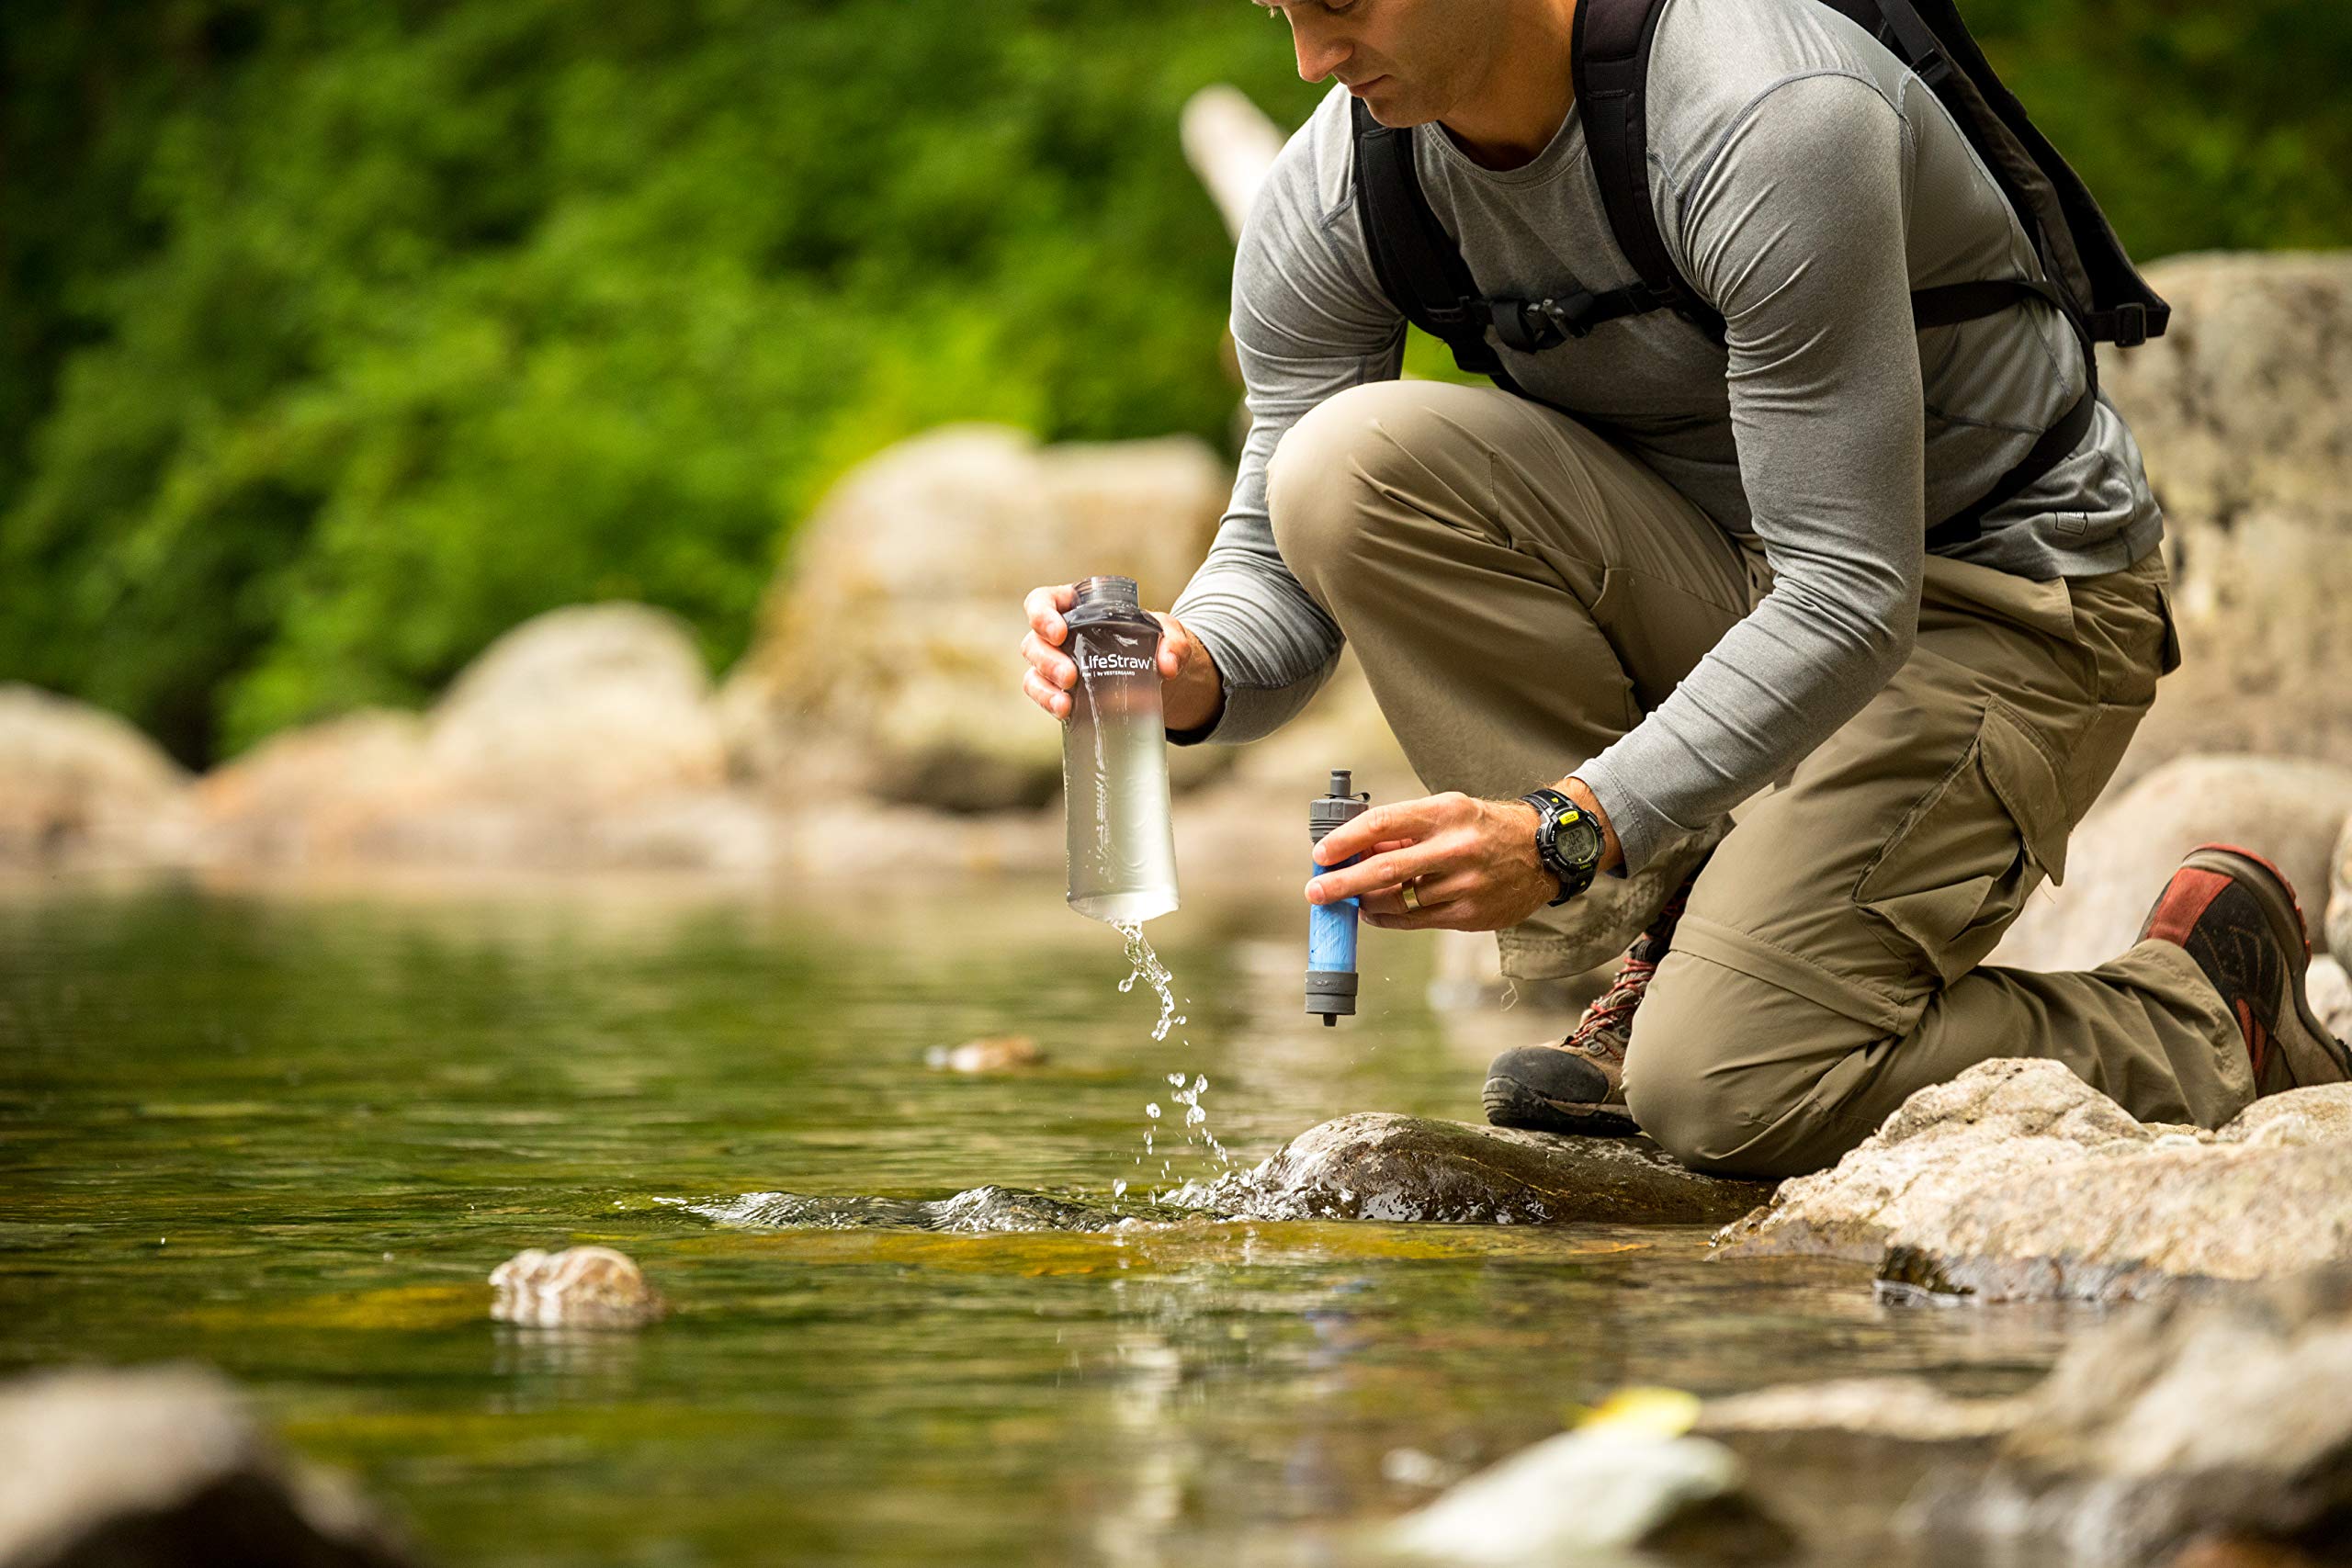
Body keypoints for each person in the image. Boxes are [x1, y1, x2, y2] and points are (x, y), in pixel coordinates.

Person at [1019, 0, 2346, 1179]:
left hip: (1997, 601)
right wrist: (1183, 667)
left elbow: (1849, 593)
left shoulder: (1764, 112)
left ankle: (2199, 1011)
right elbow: (1276, 558)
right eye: (1281, 12)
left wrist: (1563, 828)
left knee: (1725, 1096)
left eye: (1342, 4)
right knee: (1342, 467)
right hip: (1740, 587)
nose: (1313, 56)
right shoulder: (1339, 192)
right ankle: (1653, 962)